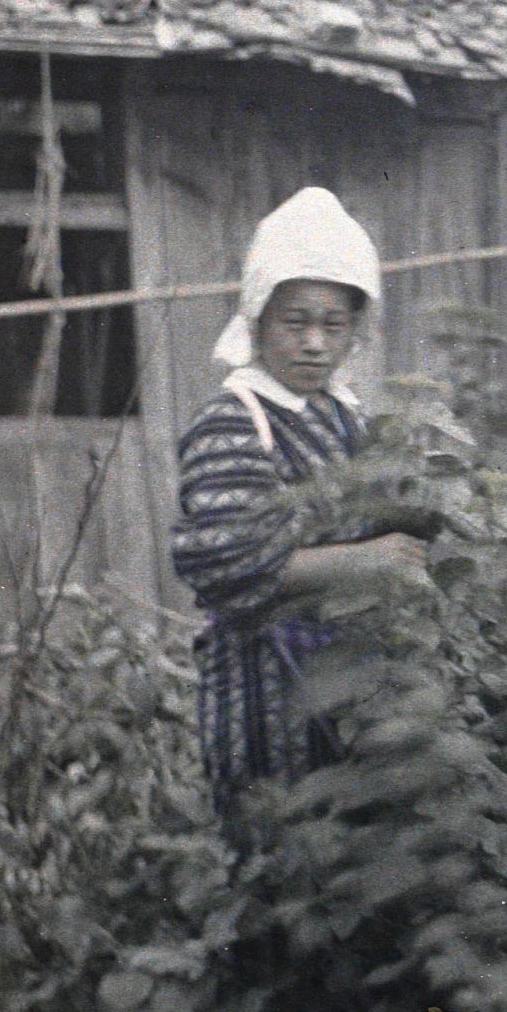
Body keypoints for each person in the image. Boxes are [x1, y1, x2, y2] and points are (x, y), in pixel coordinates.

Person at [171, 187, 428, 830]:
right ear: (257, 318)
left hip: (350, 685)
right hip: (265, 687)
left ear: (356, 330)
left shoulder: (347, 417)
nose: (314, 343)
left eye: (333, 326)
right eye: (294, 322)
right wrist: (363, 561)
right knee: (282, 843)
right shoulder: (234, 421)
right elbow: (225, 564)